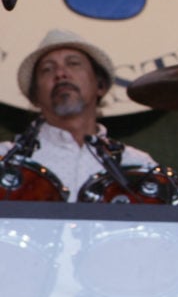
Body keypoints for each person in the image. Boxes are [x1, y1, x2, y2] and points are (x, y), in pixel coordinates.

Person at [0, 28, 157, 199]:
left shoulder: (136, 164)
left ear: (100, 85)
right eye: (47, 69)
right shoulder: (5, 160)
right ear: (35, 97)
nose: (60, 73)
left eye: (73, 63)